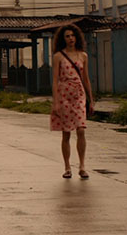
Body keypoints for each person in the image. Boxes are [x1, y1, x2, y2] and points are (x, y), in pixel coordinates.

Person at [50, 24, 94, 179]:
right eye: (67, 36)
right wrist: (56, 102)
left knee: (81, 129)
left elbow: (86, 79)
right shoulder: (58, 57)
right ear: (63, 39)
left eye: (73, 35)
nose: (70, 39)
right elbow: (55, 80)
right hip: (64, 95)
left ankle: (82, 166)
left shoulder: (83, 56)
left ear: (77, 37)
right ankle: (67, 167)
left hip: (79, 94)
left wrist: (91, 99)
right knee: (66, 133)